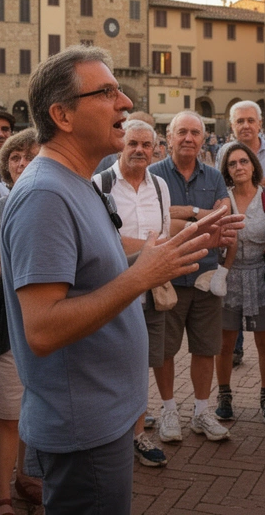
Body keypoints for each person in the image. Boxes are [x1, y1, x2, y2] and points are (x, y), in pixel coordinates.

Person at [0, 47, 234, 512]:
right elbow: (43, 329)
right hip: (83, 423)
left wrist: (178, 241)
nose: (125, 102)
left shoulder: (75, 181)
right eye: (107, 92)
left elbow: (100, 261)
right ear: (62, 115)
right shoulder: (45, 194)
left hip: (103, 417)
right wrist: (143, 276)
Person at [149, 111, 241, 444]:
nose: (189, 138)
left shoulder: (214, 176)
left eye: (195, 133)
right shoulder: (153, 175)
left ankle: (202, 411)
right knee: (164, 351)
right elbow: (155, 223)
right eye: (182, 132)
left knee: (206, 348)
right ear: (169, 137)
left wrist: (180, 217)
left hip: (205, 277)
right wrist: (198, 215)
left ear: (204, 139)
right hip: (168, 275)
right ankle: (169, 409)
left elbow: (224, 220)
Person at [93, 120, 176, 467]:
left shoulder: (159, 186)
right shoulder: (100, 185)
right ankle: (107, 434)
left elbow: (167, 231)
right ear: (120, 146)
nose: (140, 150)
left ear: (156, 148)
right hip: (114, 291)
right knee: (107, 365)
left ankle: (138, 434)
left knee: (142, 364)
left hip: (151, 292)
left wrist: (152, 250)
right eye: (133, 144)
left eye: (147, 144)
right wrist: (152, 248)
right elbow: (100, 242)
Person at [0, 128, 44, 513]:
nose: (21, 163)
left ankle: (27, 477)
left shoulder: (53, 204)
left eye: (31, 156)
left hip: (51, 330)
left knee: (39, 412)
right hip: (10, 335)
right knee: (13, 418)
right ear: (6, 167)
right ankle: (3, 496)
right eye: (15, 158)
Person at [214, 142, 265, 424]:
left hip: (262, 276)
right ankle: (224, 396)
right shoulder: (223, 199)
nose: (239, 167)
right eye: (232, 164)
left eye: (244, 161)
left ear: (254, 166)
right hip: (230, 277)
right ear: (227, 171)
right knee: (226, 344)